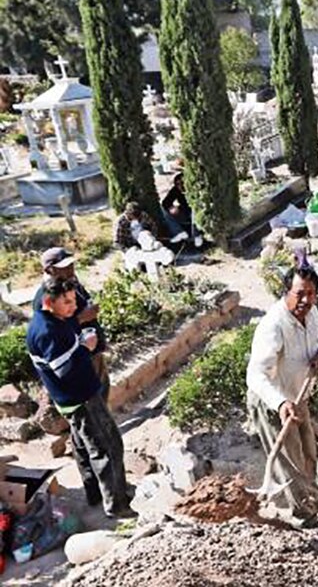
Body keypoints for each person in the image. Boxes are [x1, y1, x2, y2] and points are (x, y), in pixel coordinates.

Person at [27, 277, 134, 519]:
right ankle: (117, 505)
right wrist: (85, 347)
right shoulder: (47, 331)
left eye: (74, 300)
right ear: (48, 302)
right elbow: (65, 370)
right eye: (66, 302)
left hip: (73, 398)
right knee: (107, 447)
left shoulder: (53, 320)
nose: (73, 307)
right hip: (81, 398)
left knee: (85, 447)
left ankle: (96, 493)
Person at [246, 266, 318, 525]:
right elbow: (256, 375)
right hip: (272, 401)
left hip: (298, 394)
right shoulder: (273, 325)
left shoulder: (312, 313)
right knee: (289, 458)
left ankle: (315, 495)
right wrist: (280, 402)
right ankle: (300, 511)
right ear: (287, 292)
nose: (306, 300)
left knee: (308, 449)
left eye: (311, 293)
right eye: (299, 294)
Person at [31, 247, 109, 401]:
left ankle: (106, 423)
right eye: (64, 267)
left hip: (90, 351)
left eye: (71, 265)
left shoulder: (70, 283)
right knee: (92, 403)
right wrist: (81, 318)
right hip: (77, 358)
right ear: (50, 270)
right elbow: (51, 332)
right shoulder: (45, 298)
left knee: (102, 393)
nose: (71, 270)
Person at [160, 172, 197, 245]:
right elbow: (165, 202)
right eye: (177, 184)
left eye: (182, 183)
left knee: (194, 210)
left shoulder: (194, 189)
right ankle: (179, 232)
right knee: (162, 209)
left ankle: (196, 235)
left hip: (194, 213)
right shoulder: (175, 190)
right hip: (184, 213)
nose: (180, 186)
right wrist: (171, 207)